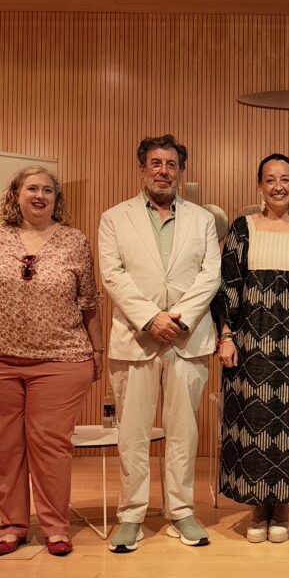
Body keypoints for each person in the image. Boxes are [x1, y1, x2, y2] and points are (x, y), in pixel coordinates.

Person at [0, 165, 102, 557]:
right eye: (32, 189)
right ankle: (10, 527)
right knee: (2, 449)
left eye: (47, 190)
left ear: (56, 199)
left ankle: (55, 528)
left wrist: (97, 351)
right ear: (16, 195)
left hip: (60, 359)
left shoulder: (75, 240)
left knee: (50, 446)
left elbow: (89, 301)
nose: (40, 196)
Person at [98, 134, 221, 553]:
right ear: (142, 169)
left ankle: (181, 511)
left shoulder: (202, 220)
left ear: (180, 172)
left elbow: (210, 275)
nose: (163, 171)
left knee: (183, 431)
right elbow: (113, 275)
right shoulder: (114, 218)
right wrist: (151, 318)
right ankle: (131, 515)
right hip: (136, 337)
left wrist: (177, 318)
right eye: (156, 163)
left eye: (171, 164)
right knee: (132, 433)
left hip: (188, 337)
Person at [213, 154, 289, 543]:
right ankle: (258, 508)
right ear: (260, 185)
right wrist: (226, 336)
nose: (278, 186)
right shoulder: (242, 228)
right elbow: (227, 286)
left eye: (285, 179)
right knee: (253, 424)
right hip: (249, 345)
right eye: (270, 179)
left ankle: (283, 509)